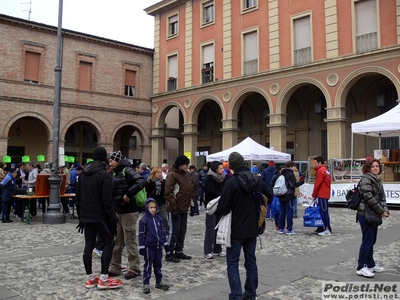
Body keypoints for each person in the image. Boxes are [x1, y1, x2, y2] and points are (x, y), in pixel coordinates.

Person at [216, 152, 273, 300]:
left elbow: (223, 208)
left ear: (232, 166)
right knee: (251, 261)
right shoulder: (256, 179)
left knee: (233, 263)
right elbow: (270, 195)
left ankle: (236, 295)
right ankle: (251, 293)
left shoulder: (231, 183)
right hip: (253, 227)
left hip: (235, 229)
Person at [75, 146, 122, 289]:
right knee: (109, 243)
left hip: (87, 215)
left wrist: (81, 217)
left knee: (89, 245)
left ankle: (90, 278)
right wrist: (113, 220)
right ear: (104, 159)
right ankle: (104, 278)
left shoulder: (83, 174)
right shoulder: (105, 175)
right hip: (100, 216)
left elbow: (78, 197)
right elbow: (107, 201)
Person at [108, 150, 146, 280]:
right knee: (117, 241)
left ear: (117, 160)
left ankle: (135, 268)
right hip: (119, 210)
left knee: (130, 241)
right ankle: (115, 267)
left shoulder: (127, 171)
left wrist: (128, 194)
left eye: (111, 160)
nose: (110, 162)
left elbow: (141, 182)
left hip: (129, 211)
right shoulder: (115, 173)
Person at [356, 158, 389, 278]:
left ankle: (370, 264)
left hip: (374, 213)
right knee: (367, 241)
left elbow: (382, 197)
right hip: (365, 213)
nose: (375, 168)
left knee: (372, 241)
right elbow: (369, 198)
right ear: (368, 168)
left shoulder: (377, 180)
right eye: (373, 166)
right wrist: (381, 211)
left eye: (377, 166)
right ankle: (361, 266)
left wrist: (385, 209)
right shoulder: (366, 179)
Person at [138, 198, 171, 294]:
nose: (153, 209)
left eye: (154, 207)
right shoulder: (143, 221)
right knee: (148, 266)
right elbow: (141, 234)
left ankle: (159, 281)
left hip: (158, 247)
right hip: (149, 247)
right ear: (146, 208)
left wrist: (165, 245)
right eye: (151, 207)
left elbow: (163, 233)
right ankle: (146, 283)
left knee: (158, 265)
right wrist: (142, 246)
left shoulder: (159, 219)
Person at [164, 154, 193, 262]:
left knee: (182, 230)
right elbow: (168, 193)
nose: (187, 166)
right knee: (174, 231)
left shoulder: (186, 174)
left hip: (184, 207)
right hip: (174, 208)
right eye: (186, 164)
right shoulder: (172, 175)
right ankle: (169, 252)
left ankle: (179, 251)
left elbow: (189, 190)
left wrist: (192, 205)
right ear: (180, 164)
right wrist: (173, 207)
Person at [203, 161, 226, 259]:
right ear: (216, 169)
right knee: (210, 228)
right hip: (212, 205)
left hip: (220, 205)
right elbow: (211, 191)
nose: (222, 170)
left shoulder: (224, 177)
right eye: (221, 168)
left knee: (219, 228)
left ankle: (217, 249)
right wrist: (222, 195)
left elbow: (226, 188)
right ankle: (207, 250)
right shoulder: (210, 178)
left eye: (222, 168)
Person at [277, 161, 304, 235]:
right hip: (288, 195)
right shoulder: (290, 174)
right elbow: (293, 185)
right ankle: (289, 229)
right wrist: (301, 182)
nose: (295, 168)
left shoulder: (282, 173)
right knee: (289, 213)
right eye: (294, 166)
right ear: (290, 167)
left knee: (282, 213)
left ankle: (281, 228)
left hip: (281, 195)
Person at [312, 156, 332, 236]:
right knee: (322, 211)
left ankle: (327, 229)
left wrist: (314, 194)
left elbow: (318, 184)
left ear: (320, 162)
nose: (315, 165)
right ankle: (321, 228)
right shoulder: (326, 170)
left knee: (323, 212)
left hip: (322, 194)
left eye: (316, 163)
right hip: (324, 193)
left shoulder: (321, 171)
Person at [145, 166, 168, 234]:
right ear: (154, 173)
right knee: (151, 219)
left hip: (161, 203)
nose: (159, 174)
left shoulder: (163, 182)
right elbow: (147, 191)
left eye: (160, 172)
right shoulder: (149, 182)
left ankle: (164, 233)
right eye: (158, 172)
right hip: (152, 203)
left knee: (164, 219)